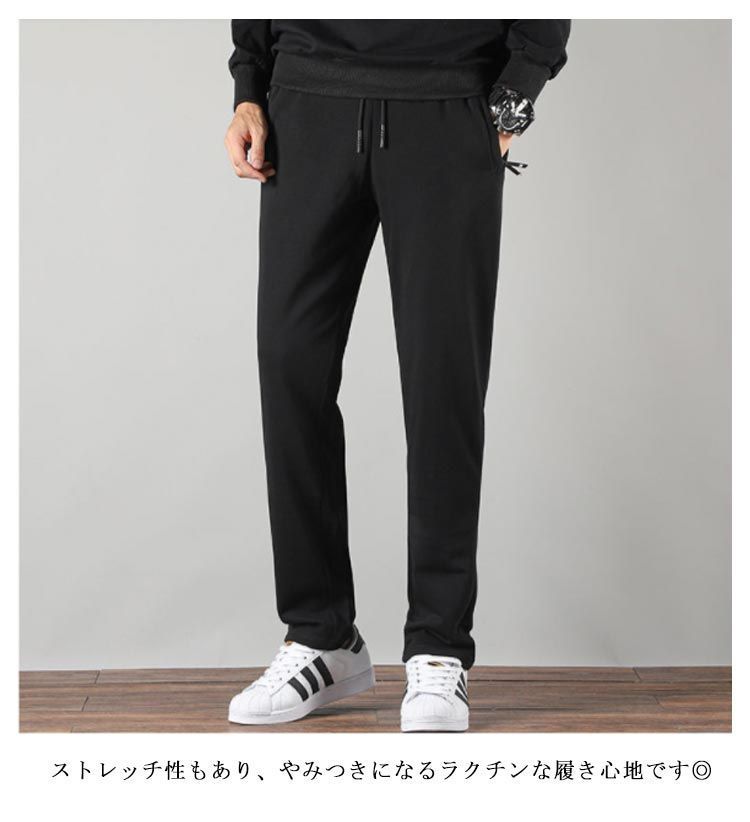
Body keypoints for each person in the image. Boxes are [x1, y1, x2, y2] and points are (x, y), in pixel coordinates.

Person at [224, 20, 570, 732]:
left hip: (448, 104)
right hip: (305, 105)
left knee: (444, 380)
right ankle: (321, 636)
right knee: (290, 367)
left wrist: (512, 100)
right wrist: (250, 86)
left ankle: (439, 647)